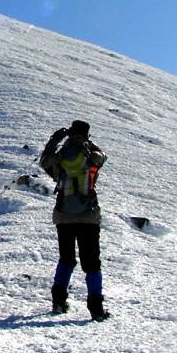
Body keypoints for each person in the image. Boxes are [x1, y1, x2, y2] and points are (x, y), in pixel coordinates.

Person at [39, 119, 110, 320]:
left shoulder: (59, 157)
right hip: (88, 216)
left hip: (64, 216)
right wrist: (88, 143)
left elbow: (44, 161)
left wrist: (56, 140)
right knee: (92, 263)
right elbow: (103, 156)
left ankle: (59, 301)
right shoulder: (91, 155)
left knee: (66, 259)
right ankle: (96, 308)